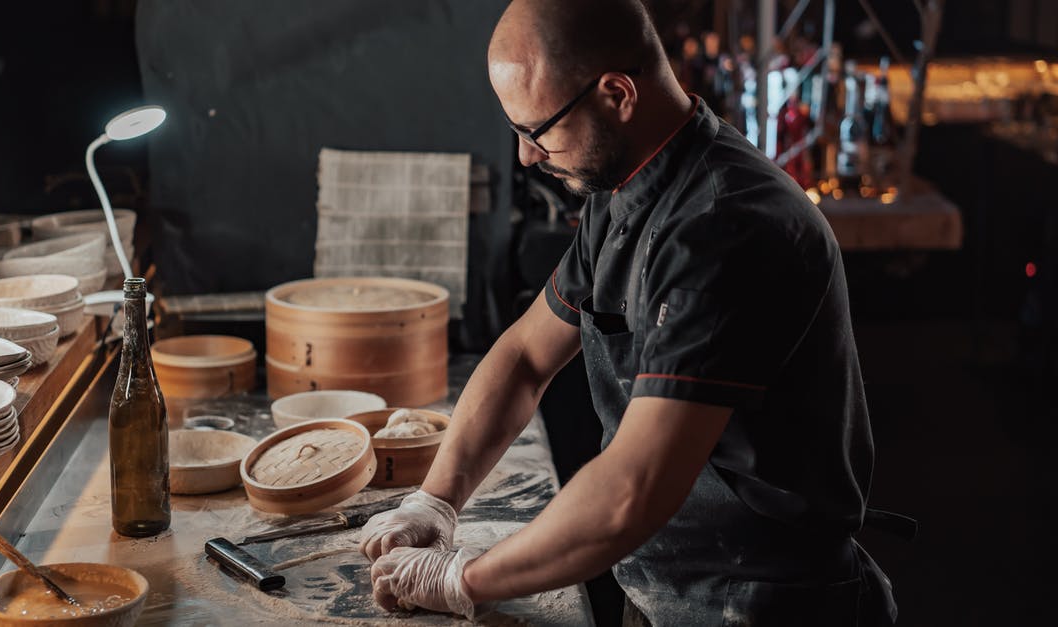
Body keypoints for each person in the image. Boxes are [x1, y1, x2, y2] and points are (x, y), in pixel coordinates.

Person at [359, 0, 897, 625]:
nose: (528, 157)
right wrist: (435, 502)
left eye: (538, 131)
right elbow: (526, 356)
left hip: (767, 603)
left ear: (617, 93)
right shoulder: (624, 192)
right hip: (665, 585)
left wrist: (462, 581)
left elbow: (631, 492)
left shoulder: (724, 227)